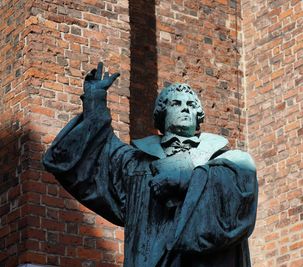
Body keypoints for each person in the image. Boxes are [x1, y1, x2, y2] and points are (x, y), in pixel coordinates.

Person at [43, 62, 258, 267]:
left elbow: (243, 186)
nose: (185, 109)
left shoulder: (222, 159)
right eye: (176, 103)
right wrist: (95, 102)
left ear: (198, 115)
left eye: (191, 105)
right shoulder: (134, 161)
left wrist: (185, 177)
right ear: (162, 113)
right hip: (149, 256)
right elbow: (93, 157)